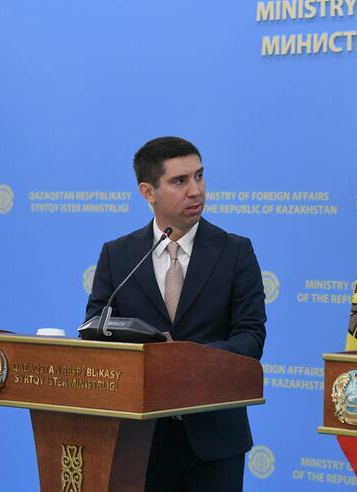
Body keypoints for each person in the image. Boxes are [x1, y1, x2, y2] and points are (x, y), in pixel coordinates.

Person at [86, 136, 266, 491]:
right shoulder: (118, 256)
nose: (196, 191)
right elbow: (96, 333)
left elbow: (251, 337)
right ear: (148, 192)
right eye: (179, 181)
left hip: (215, 440)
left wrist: (184, 360)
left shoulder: (235, 252)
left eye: (199, 176)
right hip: (139, 441)